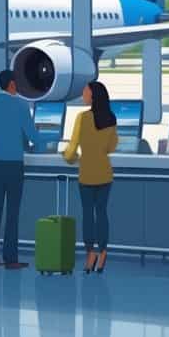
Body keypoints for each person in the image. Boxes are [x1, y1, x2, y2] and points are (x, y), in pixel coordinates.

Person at [0, 69, 37, 269]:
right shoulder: (21, 106)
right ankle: (11, 259)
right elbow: (32, 135)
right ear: (11, 84)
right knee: (12, 213)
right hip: (14, 165)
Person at [63, 81, 118, 274]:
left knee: (87, 214)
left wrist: (69, 156)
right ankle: (103, 253)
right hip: (104, 173)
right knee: (101, 213)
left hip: (86, 173)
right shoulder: (111, 118)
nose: (83, 94)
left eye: (85, 91)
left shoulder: (83, 118)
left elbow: (71, 151)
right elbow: (112, 147)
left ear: (93, 96)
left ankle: (90, 254)